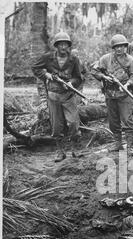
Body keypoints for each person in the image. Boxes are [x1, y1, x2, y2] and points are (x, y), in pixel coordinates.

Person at [32, 32, 82, 162]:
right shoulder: (47, 58)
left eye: (66, 44)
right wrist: (47, 76)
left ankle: (75, 149)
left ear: (69, 46)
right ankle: (60, 152)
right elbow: (35, 68)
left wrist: (71, 83)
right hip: (53, 97)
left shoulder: (74, 59)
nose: (63, 47)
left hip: (68, 96)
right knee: (56, 127)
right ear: (56, 46)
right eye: (61, 44)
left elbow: (79, 77)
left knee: (73, 124)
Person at [91, 34, 133, 156]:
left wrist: (127, 85)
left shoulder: (130, 60)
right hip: (110, 94)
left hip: (124, 94)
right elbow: (94, 71)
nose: (119, 49)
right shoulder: (105, 59)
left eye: (122, 46)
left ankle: (130, 146)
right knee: (113, 121)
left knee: (127, 120)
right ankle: (118, 144)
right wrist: (104, 77)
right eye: (116, 47)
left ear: (125, 47)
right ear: (113, 48)